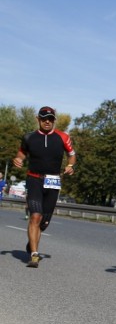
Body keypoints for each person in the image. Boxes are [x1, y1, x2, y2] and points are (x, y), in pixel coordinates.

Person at [12, 106, 76, 268]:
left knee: (44, 222)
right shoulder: (29, 137)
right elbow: (21, 154)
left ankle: (31, 242)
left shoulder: (63, 137)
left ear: (54, 120)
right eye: (44, 118)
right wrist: (18, 159)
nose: (47, 121)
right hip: (34, 179)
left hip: (53, 182)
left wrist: (70, 165)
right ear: (38, 119)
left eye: (50, 119)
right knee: (35, 216)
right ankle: (34, 254)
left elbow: (72, 155)